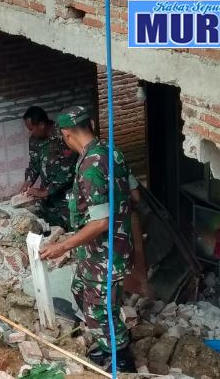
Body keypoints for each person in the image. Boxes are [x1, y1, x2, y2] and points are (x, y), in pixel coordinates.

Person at [39, 106, 135, 372]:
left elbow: (101, 222)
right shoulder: (112, 152)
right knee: (81, 290)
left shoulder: (91, 165)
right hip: (98, 251)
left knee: (100, 309)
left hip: (104, 254)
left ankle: (121, 360)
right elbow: (135, 196)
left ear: (67, 133)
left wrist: (62, 246)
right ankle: (111, 342)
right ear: (90, 124)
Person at [21, 106, 78, 230]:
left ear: (41, 125)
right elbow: (34, 164)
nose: (30, 133)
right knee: (52, 231)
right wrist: (28, 182)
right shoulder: (34, 140)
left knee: (73, 229)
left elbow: (67, 171)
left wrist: (45, 192)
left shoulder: (62, 136)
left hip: (67, 195)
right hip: (48, 199)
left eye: (31, 129)